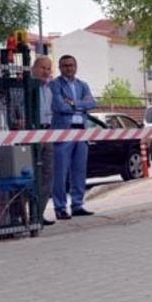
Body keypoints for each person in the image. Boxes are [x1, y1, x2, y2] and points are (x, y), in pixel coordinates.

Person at [50, 54, 97, 219]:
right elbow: (59, 107)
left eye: (71, 65)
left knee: (79, 170)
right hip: (64, 132)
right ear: (60, 68)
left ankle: (77, 205)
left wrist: (73, 103)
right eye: (65, 65)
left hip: (81, 131)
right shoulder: (55, 85)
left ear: (76, 67)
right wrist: (81, 105)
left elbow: (92, 103)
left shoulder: (82, 85)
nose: (68, 68)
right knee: (60, 172)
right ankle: (60, 208)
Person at [31, 55, 56, 226]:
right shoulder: (26, 86)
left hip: (48, 133)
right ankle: (24, 215)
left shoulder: (49, 89)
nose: (45, 72)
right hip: (32, 134)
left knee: (48, 174)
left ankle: (39, 214)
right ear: (34, 68)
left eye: (48, 69)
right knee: (30, 175)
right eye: (42, 68)